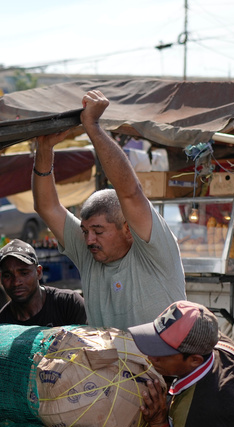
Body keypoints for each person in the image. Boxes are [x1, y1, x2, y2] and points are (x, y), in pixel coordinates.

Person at [32, 90, 186, 330]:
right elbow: (47, 206)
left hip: (163, 366)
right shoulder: (90, 252)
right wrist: (44, 148)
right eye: (85, 231)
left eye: (98, 231)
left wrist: (92, 126)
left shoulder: (153, 250)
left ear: (127, 229)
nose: (89, 239)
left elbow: (130, 192)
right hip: (111, 366)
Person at [0, 239, 87, 326]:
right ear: (0, 278)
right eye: (7, 275)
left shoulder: (70, 304)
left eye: (24, 273)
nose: (16, 282)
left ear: (39, 272)